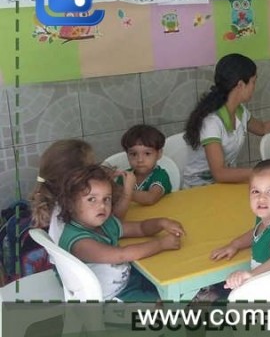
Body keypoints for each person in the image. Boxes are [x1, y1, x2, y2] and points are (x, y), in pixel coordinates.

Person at [57, 165, 184, 301]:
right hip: (111, 297)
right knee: (167, 302)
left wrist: (161, 223)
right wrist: (161, 244)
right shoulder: (80, 242)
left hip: (125, 280)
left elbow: (140, 228)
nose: (102, 206)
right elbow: (122, 255)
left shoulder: (104, 223)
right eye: (92, 199)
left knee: (172, 283)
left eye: (106, 199)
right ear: (70, 204)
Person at [183, 53, 270, 187]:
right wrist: (261, 172)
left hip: (224, 184)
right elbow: (220, 173)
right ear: (240, 85)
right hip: (199, 189)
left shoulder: (240, 111)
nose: (254, 87)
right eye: (253, 82)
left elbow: (262, 128)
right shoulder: (212, 121)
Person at [211, 160, 270, 290]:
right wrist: (235, 244)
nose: (261, 198)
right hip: (263, 284)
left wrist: (250, 274)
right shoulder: (268, 217)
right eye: (255, 192)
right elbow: (258, 232)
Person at [30, 139, 134, 244]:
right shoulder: (71, 204)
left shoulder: (56, 195)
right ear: (76, 178)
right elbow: (113, 220)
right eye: (92, 167)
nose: (96, 170)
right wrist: (128, 189)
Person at [116, 124, 171, 205]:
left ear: (159, 154)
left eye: (147, 153)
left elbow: (150, 198)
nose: (140, 160)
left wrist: (117, 189)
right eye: (134, 154)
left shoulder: (161, 175)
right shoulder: (124, 176)